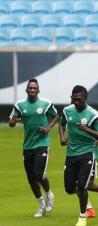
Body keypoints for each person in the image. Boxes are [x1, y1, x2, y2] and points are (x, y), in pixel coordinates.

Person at [59, 85, 98, 226]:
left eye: (79, 100)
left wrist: (87, 129)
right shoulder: (67, 111)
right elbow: (62, 124)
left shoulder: (93, 114)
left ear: (86, 98)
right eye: (73, 99)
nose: (76, 102)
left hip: (87, 153)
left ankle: (83, 215)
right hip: (71, 154)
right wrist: (62, 137)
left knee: (82, 186)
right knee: (69, 189)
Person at [9, 79, 59, 217]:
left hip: (42, 144)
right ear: (26, 90)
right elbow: (12, 122)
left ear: (38, 91)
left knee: (39, 174)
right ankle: (42, 206)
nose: (32, 90)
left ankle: (49, 194)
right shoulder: (20, 105)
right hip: (27, 146)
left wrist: (48, 128)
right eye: (30, 88)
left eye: (34, 88)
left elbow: (56, 116)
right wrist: (12, 121)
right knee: (31, 179)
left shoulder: (45, 104)